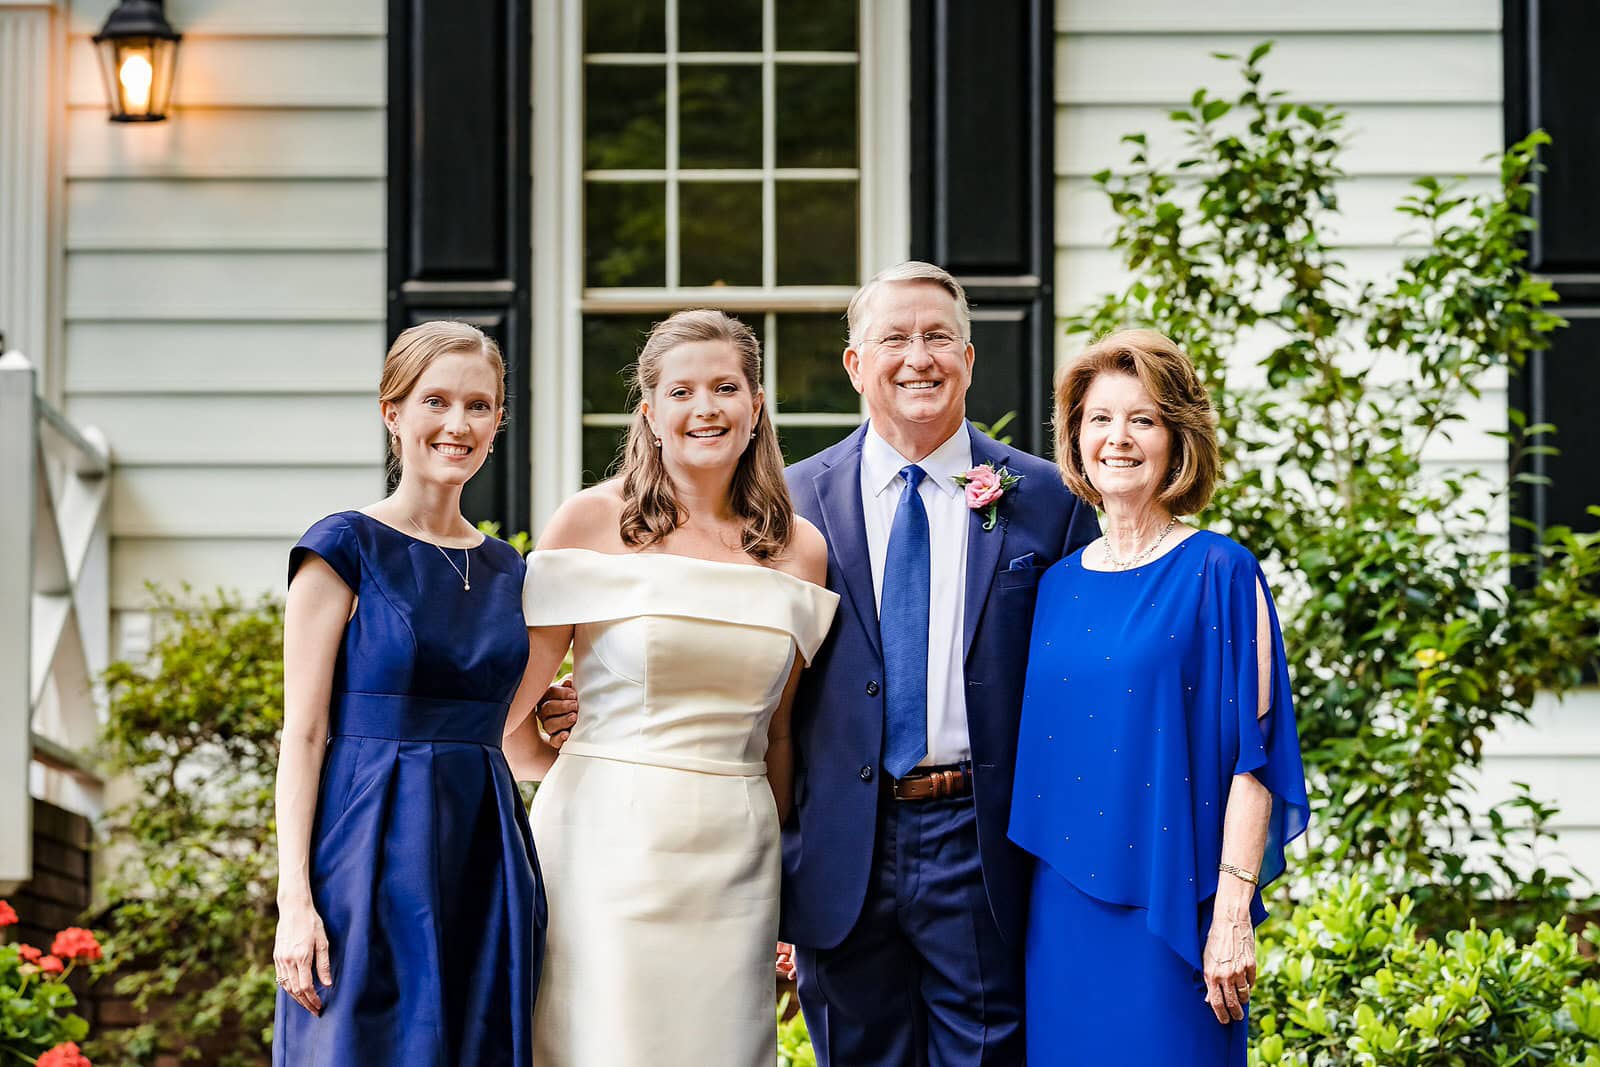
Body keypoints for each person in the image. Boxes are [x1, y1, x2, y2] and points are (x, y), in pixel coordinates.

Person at [780, 262, 1101, 1065]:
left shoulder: (1050, 500)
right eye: (894, 338)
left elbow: (1085, 691)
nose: (917, 356)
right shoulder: (788, 502)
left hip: (983, 836)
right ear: (855, 363)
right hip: (842, 845)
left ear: (968, 356)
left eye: (936, 337)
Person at [502, 309, 838, 1066]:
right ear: (650, 412)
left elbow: (780, 731)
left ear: (756, 405)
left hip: (736, 852)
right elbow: (507, 709)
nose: (706, 409)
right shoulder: (589, 521)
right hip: (602, 845)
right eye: (681, 392)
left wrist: (780, 857)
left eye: (725, 387)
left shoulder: (800, 549)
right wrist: (570, 767)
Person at [1008, 329, 1310, 1065]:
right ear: (1076, 438)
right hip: (1060, 918)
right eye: (1099, 419)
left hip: (1174, 909)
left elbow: (1254, 758)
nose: (1118, 438)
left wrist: (1233, 912)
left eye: (1142, 419)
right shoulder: (1053, 585)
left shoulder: (1222, 570)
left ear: (1177, 439)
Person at [272, 321, 545, 1066]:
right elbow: (301, 732)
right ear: (393, 412)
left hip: (486, 851)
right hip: (366, 846)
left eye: (479, 406)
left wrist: (567, 717)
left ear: (497, 422)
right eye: (437, 401)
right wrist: (294, 899)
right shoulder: (342, 546)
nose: (458, 424)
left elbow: (513, 738)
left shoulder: (509, 568)